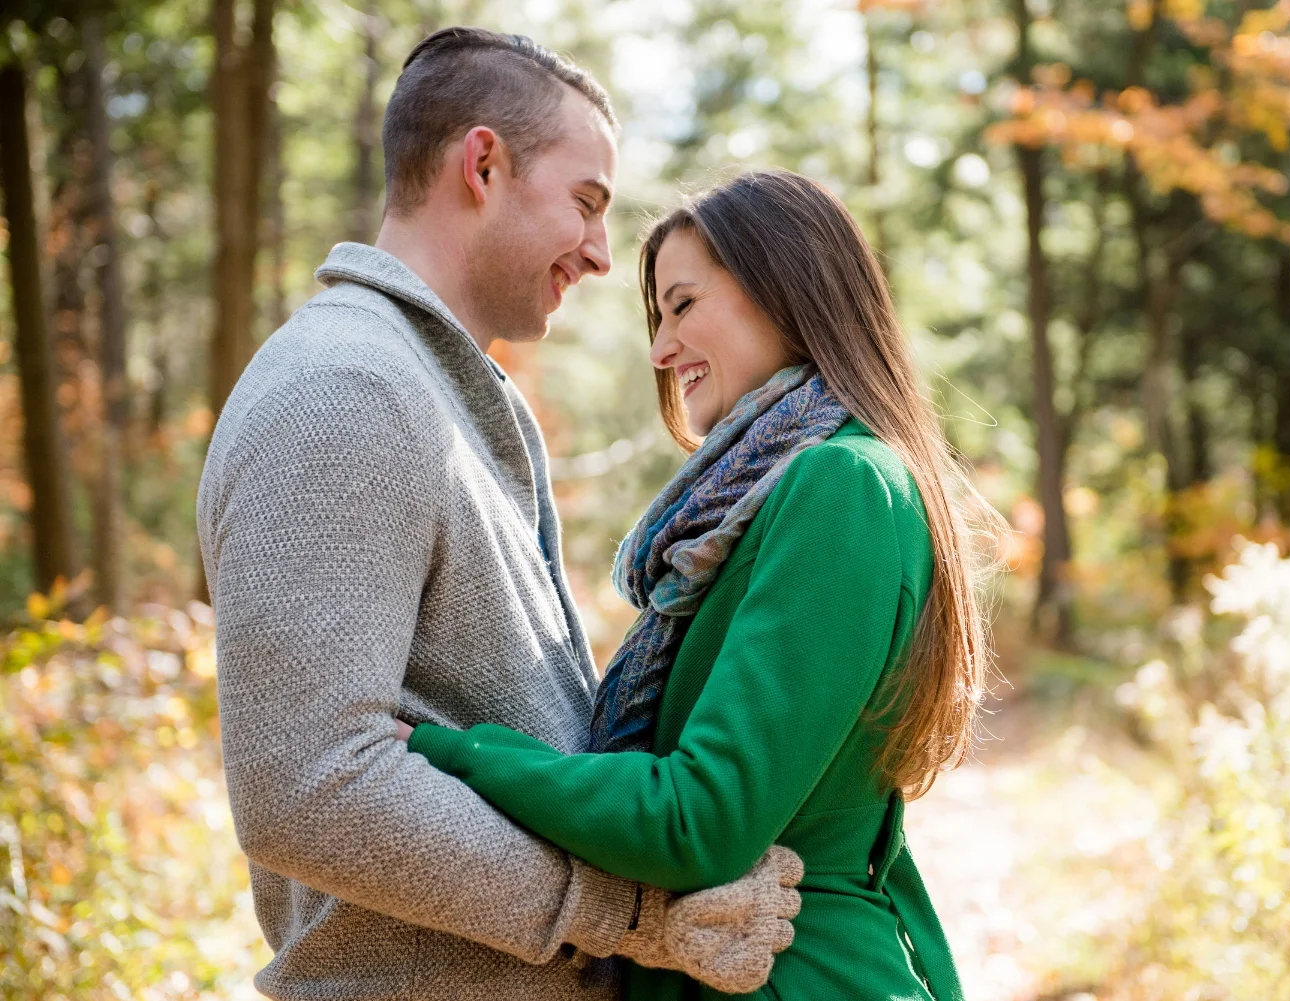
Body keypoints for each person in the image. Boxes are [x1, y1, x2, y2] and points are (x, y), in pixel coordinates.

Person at [197, 28, 799, 1001]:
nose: (604, 254)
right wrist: (632, 914)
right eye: (587, 203)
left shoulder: (439, 394)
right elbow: (305, 784)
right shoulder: (347, 388)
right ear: (482, 164)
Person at [402, 169, 996, 1000]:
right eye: (656, 317)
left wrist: (456, 752)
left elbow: (701, 818)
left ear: (785, 290)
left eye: (682, 305)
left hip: (798, 971)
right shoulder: (772, 498)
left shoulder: (841, 486)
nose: (659, 348)